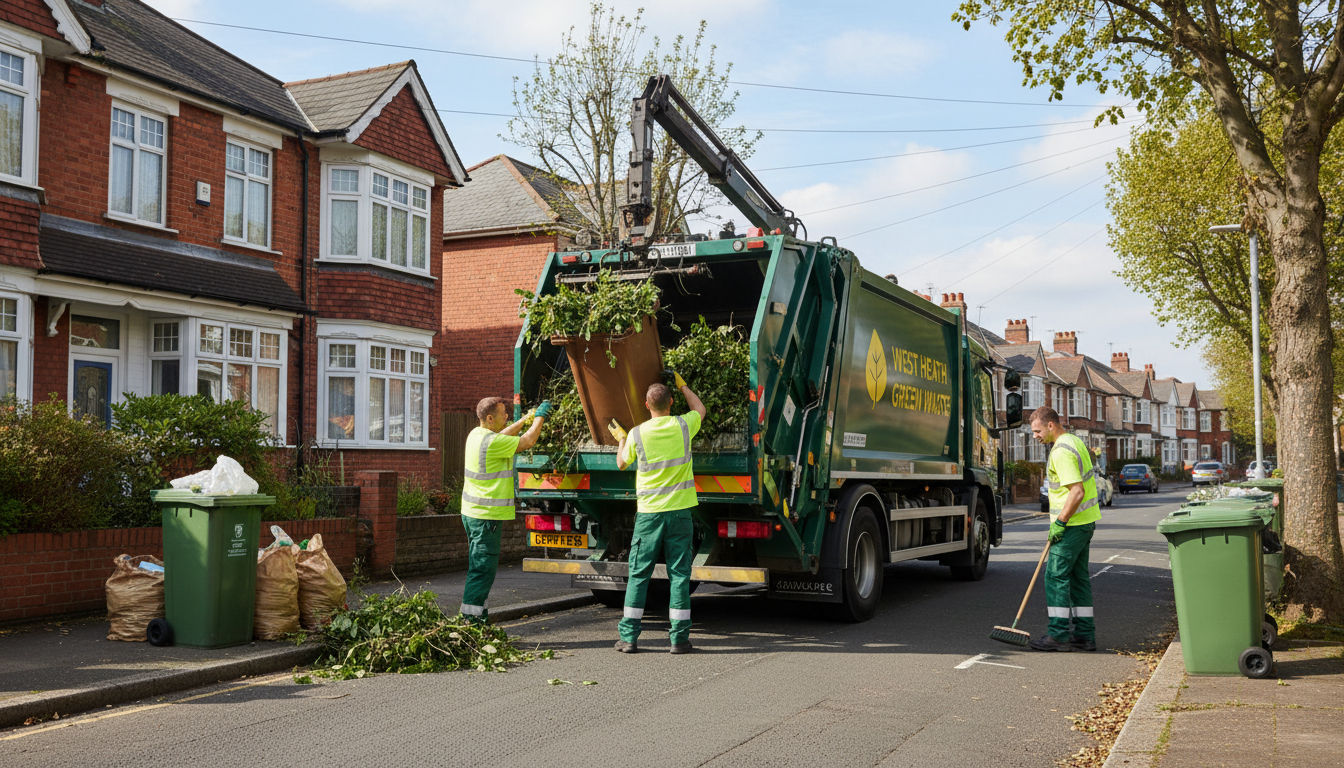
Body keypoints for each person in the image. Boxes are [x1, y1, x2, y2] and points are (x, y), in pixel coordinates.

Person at [609, 372, 706, 654]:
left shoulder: (638, 433)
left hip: (649, 515)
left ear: (646, 405)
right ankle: (679, 640)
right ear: (671, 403)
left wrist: (621, 439)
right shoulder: (683, 426)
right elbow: (700, 409)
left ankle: (628, 638)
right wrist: (683, 384)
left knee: (639, 574)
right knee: (679, 576)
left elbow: (621, 464)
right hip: (679, 514)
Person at [459, 396, 551, 622]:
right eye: (503, 414)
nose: (507, 416)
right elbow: (528, 441)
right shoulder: (492, 442)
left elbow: (503, 435)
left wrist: (525, 419)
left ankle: (480, 617)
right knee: (482, 571)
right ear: (490, 418)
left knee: (480, 570)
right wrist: (539, 417)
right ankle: (470, 623)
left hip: (473, 513)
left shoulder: (476, 435)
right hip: (486, 517)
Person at [1028, 405, 1100, 652]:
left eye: (1037, 431)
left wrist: (1059, 523)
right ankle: (1084, 635)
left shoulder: (1060, 451)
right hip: (1084, 523)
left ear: (1050, 425)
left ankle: (1058, 635)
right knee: (1079, 579)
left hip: (1071, 526)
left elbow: (1077, 491)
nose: (1035, 436)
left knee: (1055, 577)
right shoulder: (1075, 441)